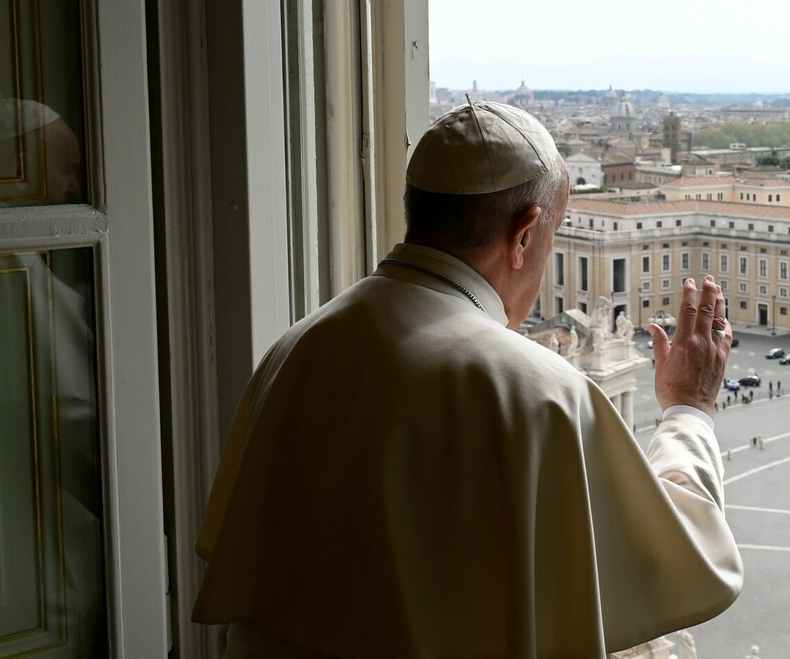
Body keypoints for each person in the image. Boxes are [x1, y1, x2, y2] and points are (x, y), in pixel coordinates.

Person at [192, 100, 743, 657]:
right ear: (524, 235)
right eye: (552, 235)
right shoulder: (536, 394)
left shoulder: (295, 348)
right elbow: (684, 558)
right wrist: (689, 408)